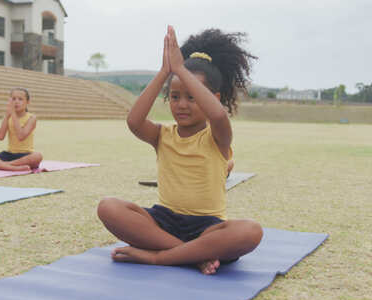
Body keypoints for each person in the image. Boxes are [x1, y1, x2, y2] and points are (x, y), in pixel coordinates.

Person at [97, 26, 263, 275]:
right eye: (175, 97)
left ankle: (158, 258)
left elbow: (218, 114)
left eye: (192, 97)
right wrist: (165, 71)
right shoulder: (162, 135)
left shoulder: (217, 137)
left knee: (251, 231)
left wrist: (182, 70)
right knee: (108, 207)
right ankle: (192, 255)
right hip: (162, 223)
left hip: (207, 229)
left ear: (212, 97)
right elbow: (134, 121)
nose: (182, 105)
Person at [0, 88, 43, 171]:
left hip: (25, 155)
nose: (16, 102)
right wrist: (7, 116)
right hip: (9, 154)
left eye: (20, 99)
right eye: (13, 99)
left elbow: (21, 136)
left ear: (28, 102)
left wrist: (13, 113)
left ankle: (4, 165)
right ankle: (11, 167)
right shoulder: (8, 117)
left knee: (37, 156)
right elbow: (0, 137)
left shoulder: (32, 118)